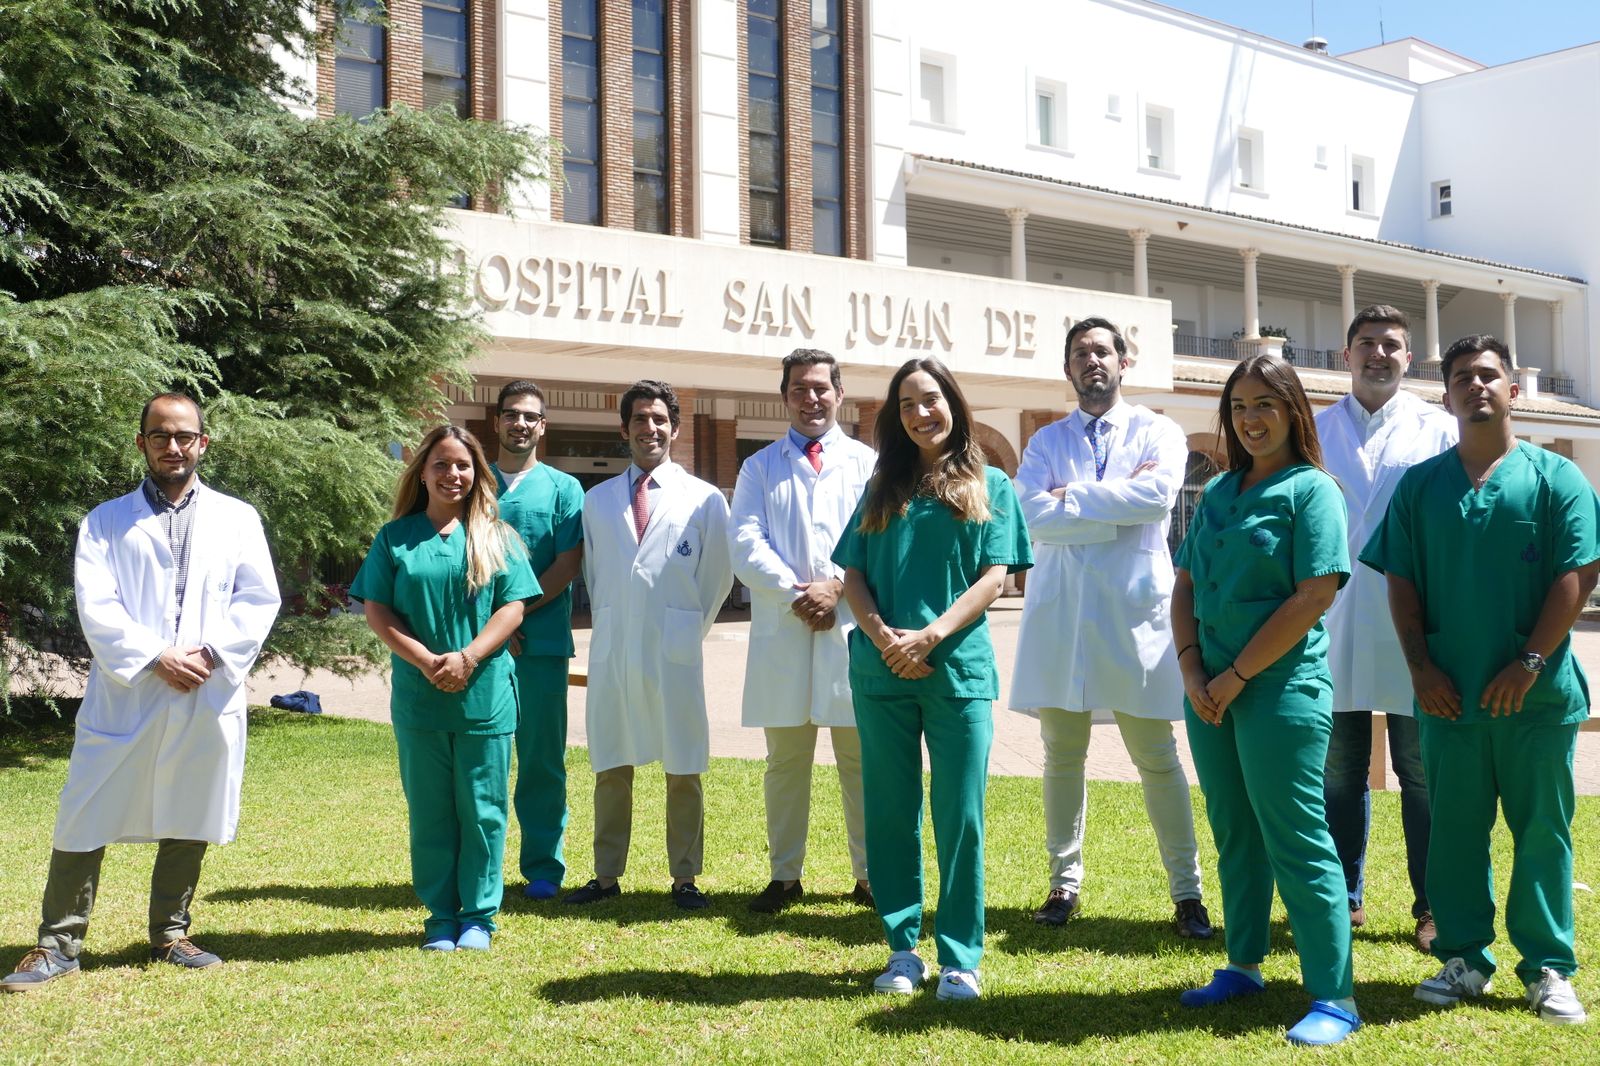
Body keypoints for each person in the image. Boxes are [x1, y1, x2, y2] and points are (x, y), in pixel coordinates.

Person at [3, 393, 281, 991]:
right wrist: (156, 656)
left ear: (203, 443)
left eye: (184, 436)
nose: (172, 447)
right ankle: (57, 945)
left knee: (193, 804)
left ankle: (171, 933)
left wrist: (210, 654)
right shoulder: (105, 521)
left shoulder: (238, 519)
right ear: (142, 444)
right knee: (85, 807)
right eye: (160, 436)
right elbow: (95, 603)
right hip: (127, 690)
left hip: (206, 687)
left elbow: (258, 598)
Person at [1361, 335, 1597, 1026]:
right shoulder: (1421, 486)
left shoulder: (1556, 479)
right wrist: (1421, 669)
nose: (1476, 385)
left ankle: (1548, 965)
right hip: (1450, 697)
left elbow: (1578, 575)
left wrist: (1529, 664)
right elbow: (1401, 581)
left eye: (1489, 374)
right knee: (1455, 832)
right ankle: (1463, 957)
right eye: (1462, 376)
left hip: (1537, 700)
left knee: (1542, 832)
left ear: (1512, 389)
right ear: (1447, 395)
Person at [1171, 354, 1359, 1046]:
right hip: (1209, 691)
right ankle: (1243, 965)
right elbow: (1186, 584)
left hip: (1278, 690)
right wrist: (1193, 669)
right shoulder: (1219, 491)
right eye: (1239, 407)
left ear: (1293, 411)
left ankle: (1335, 995)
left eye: (1265, 405)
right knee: (1234, 831)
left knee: (1296, 836)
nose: (1251, 419)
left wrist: (1236, 676)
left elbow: (1314, 595)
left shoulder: (1314, 491)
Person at [833, 356, 1031, 1002]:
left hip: (956, 672)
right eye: (907, 404)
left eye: (931, 399)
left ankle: (961, 959)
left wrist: (930, 635)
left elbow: (995, 577)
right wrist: (883, 638)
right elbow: (852, 575)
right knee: (891, 813)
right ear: (896, 417)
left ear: (954, 403)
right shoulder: (881, 486)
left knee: (960, 815)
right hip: (882, 672)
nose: (921, 413)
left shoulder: (991, 484)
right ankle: (902, 950)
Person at [1010, 317, 1210, 939]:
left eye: (1103, 350)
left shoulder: (1159, 430)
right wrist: (1113, 500)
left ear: (1124, 362)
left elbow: (1157, 499)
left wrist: (1070, 498)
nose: (1092, 360)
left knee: (1158, 758)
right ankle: (1062, 884)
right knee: (1061, 757)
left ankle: (1188, 893)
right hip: (1063, 615)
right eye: (1080, 353)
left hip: (1134, 615)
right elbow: (1029, 515)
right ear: (1067, 369)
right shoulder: (1045, 441)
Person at [351, 425, 538, 952]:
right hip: (421, 698)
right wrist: (428, 661)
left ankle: (478, 917)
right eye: (441, 464)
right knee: (430, 811)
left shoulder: (498, 537)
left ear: (477, 473)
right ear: (422, 473)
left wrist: (469, 657)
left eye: (462, 465)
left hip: (484, 698)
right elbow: (377, 608)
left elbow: (513, 607)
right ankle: (439, 915)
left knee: (483, 811)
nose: (452, 474)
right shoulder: (395, 538)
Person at [1316, 305, 1456, 951]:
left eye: (1391, 345)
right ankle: (1344, 898)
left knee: (1422, 773)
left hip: (1415, 624)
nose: (1378, 354)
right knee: (1339, 771)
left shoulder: (1441, 430)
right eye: (1366, 343)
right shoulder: (1313, 430)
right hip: (1331, 618)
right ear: (1345, 355)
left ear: (1409, 357)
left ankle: (1432, 905)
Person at [565, 380, 733, 910]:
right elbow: (595, 573)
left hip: (674, 648)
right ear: (624, 428)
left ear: (675, 429)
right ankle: (606, 875)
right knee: (611, 760)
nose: (650, 428)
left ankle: (685, 877)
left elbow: (718, 578)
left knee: (683, 762)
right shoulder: (597, 501)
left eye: (660, 419)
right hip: (614, 646)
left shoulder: (704, 498)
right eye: (640, 419)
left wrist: (685, 628)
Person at [730, 349, 877, 914]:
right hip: (785, 626)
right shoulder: (759, 467)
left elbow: (877, 536)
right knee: (785, 763)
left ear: (840, 394)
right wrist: (798, 593)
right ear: (784, 397)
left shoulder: (868, 464)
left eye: (820, 388)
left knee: (860, 761)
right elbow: (745, 541)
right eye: (799, 389)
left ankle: (869, 876)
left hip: (850, 625)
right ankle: (785, 876)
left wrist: (836, 585)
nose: (811, 398)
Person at [490, 380, 585, 901]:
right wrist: (492, 629)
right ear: (497, 421)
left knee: (541, 761)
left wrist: (515, 616)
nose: (520, 423)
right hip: (480, 648)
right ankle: (479, 867)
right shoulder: (472, 483)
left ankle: (544, 867)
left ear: (542, 426)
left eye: (530, 416)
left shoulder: (564, 489)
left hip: (540, 645)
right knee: (482, 762)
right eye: (512, 414)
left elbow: (568, 563)